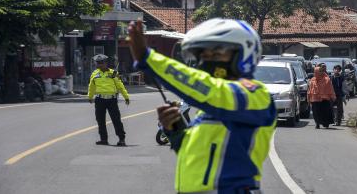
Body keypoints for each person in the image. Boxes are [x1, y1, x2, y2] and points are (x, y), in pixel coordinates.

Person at [128, 18, 276, 193]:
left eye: (216, 55)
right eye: (204, 56)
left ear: (244, 54)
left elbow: (206, 88)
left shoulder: (254, 95)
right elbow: (202, 156)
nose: (208, 62)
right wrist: (176, 132)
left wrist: (149, 58)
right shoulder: (212, 106)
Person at [87, 54, 130, 146]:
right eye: (98, 63)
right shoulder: (94, 74)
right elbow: (91, 86)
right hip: (99, 100)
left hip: (112, 100)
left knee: (116, 120)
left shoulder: (113, 73)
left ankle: (121, 139)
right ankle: (103, 139)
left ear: (106, 63)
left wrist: (126, 96)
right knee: (100, 120)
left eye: (101, 63)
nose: (99, 65)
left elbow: (120, 86)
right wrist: (90, 97)